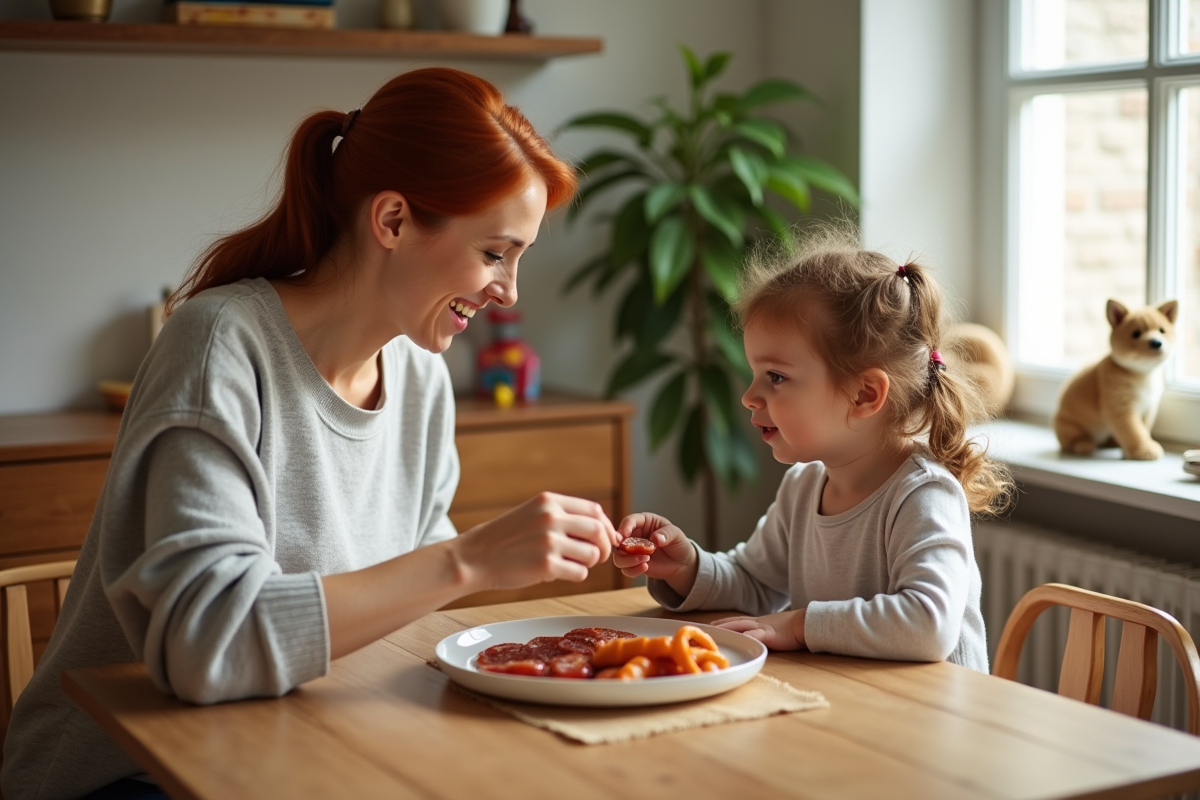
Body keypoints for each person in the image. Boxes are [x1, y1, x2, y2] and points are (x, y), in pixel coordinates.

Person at [3, 67, 621, 800]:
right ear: (392, 221)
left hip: (298, 747)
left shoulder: (419, 375)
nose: (508, 291)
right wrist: (468, 560)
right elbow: (208, 648)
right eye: (494, 253)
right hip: (129, 774)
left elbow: (398, 609)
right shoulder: (218, 347)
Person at [613, 224, 1012, 673]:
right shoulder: (804, 486)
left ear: (864, 395)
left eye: (776, 377)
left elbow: (927, 625)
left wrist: (800, 626)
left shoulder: (923, 495)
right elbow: (754, 582)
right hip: (852, 709)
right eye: (754, 374)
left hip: (936, 727)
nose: (749, 396)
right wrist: (685, 566)